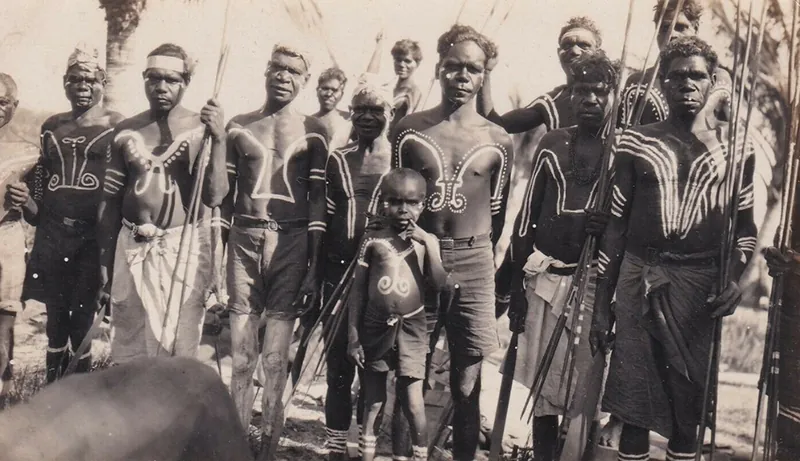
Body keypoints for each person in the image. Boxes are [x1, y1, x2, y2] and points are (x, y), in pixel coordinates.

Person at [590, 37, 757, 461]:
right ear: (662, 82)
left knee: (688, 411)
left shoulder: (737, 148)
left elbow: (745, 229)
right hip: (639, 277)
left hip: (699, 287)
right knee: (634, 408)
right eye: (677, 75)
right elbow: (615, 227)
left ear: (713, 80)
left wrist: (734, 279)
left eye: (697, 75)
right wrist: (601, 305)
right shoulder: (636, 142)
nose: (687, 83)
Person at [392, 24, 514, 461]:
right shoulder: (409, 130)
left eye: (473, 69)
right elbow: (395, 200)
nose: (463, 76)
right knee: (410, 375)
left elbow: (496, 214)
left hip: (474, 260)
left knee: (467, 382)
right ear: (439, 68)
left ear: (484, 75)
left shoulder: (498, 139)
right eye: (454, 66)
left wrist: (474, 259)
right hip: (416, 257)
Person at [498, 52, 615, 461]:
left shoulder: (622, 150)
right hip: (543, 280)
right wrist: (516, 289)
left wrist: (605, 224)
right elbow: (525, 218)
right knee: (544, 391)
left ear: (613, 95)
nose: (590, 99)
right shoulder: (552, 143)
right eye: (581, 91)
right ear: (570, 94)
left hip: (593, 283)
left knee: (586, 390)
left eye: (599, 91)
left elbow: (629, 225)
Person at [223, 42, 328, 453]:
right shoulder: (238, 126)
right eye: (277, 68)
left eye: (293, 71)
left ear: (305, 81)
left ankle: (268, 443)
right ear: (266, 71)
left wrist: (314, 265)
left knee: (275, 358)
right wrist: (219, 256)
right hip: (244, 237)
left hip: (291, 240)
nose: (283, 76)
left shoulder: (314, 132)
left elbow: (317, 200)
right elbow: (225, 197)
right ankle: (235, 443)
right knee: (242, 356)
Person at [97, 43, 228, 363]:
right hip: (130, 245)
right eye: (154, 78)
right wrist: (104, 265)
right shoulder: (125, 130)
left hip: (181, 248)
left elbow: (214, 196)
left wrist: (219, 138)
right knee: (128, 341)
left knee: (179, 343)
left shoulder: (202, 128)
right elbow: (109, 202)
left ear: (186, 82)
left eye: (171, 79)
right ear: (144, 79)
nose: (161, 87)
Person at [11, 45, 124, 383]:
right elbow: (40, 183)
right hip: (53, 233)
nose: (82, 86)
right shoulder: (51, 126)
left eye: (90, 80)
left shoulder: (116, 126)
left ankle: (80, 393)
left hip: (93, 236)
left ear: (103, 83)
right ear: (64, 82)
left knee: (83, 317)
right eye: (75, 79)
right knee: (56, 317)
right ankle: (52, 390)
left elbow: (121, 188)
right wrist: (28, 203)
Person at [347, 168, 451, 461]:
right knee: (372, 401)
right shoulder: (373, 239)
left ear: (423, 204)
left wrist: (429, 243)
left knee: (413, 402)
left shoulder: (426, 241)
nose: (403, 209)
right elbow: (357, 291)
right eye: (395, 201)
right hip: (374, 326)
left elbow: (440, 283)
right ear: (383, 202)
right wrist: (353, 337)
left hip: (413, 328)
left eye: (411, 202)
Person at [320, 74, 395, 461]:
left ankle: (365, 449)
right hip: (336, 274)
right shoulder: (338, 158)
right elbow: (327, 215)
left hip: (380, 280)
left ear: (390, 113)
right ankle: (336, 449)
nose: (367, 116)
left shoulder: (398, 158)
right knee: (337, 365)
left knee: (372, 369)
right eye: (359, 109)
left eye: (376, 109)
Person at [477, 17, 603, 135]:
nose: (574, 51)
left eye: (584, 45)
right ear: (558, 53)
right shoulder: (551, 102)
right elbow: (495, 127)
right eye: (567, 45)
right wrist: (486, 72)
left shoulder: (612, 93)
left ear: (598, 53)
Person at [618, 0, 731, 129]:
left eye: (680, 27)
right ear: (656, 32)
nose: (672, 34)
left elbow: (731, 133)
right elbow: (625, 135)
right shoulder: (638, 83)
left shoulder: (720, 80)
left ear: (696, 29)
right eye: (665, 28)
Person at [0, 72, 40, 394]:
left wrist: (26, 199)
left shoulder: (29, 152)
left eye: (3, 102)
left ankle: (4, 389)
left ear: (15, 105)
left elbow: (38, 215)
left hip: (8, 237)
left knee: (5, 318)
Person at [367, 33, 424, 126]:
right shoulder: (388, 87)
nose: (401, 64)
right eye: (398, 60)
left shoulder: (413, 93)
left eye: (407, 61)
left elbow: (408, 125)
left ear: (417, 64)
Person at [313, 67, 351, 152]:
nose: (329, 94)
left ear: (341, 95)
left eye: (335, 90)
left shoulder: (348, 120)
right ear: (317, 91)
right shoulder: (309, 121)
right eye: (325, 88)